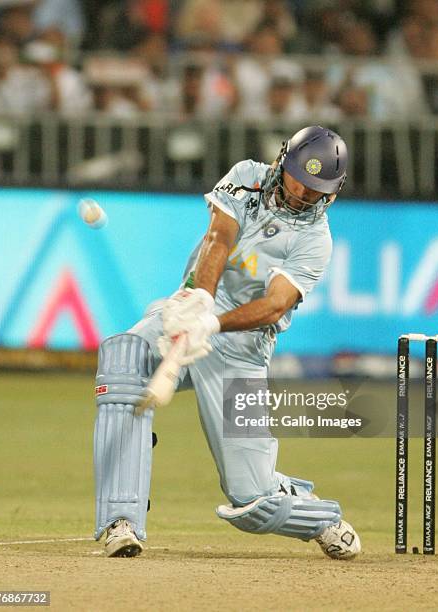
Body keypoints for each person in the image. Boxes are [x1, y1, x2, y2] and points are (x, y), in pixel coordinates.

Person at [93, 125, 361, 560]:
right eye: (299, 179)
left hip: (242, 350)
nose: (303, 194)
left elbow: (274, 307)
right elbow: (219, 238)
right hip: (187, 314)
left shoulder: (316, 240)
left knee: (252, 499)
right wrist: (200, 301)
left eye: (317, 189)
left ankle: (319, 515)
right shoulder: (248, 175)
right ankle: (120, 523)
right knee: (123, 358)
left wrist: (213, 326)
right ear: (281, 162)